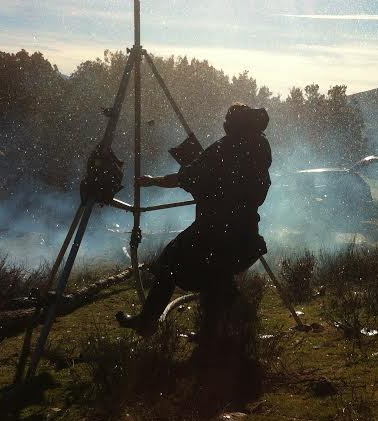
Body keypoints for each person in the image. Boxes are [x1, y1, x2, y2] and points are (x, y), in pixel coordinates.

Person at [116, 103, 272, 337]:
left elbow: (186, 177)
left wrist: (152, 180)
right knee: (219, 275)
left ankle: (147, 322)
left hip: (214, 233)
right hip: (246, 234)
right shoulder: (259, 149)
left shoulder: (223, 149)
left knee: (169, 262)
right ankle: (232, 331)